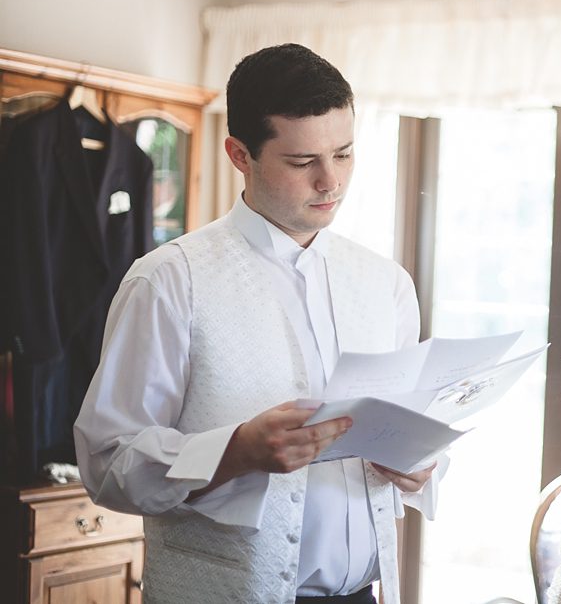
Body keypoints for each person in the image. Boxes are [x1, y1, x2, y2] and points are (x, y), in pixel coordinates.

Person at [74, 43, 442, 604]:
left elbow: (407, 430)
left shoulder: (386, 283)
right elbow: (107, 464)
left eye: (344, 154)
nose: (330, 181)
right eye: (302, 162)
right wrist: (235, 451)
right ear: (240, 154)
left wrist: (419, 466)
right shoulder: (170, 281)